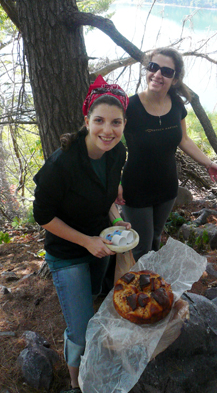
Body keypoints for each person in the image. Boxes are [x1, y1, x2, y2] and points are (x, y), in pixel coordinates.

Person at [33, 75, 130, 393]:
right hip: (68, 251)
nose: (108, 130)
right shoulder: (62, 164)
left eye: (116, 122)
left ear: (124, 123)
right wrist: (87, 241)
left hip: (99, 243)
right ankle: (76, 383)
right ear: (86, 120)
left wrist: (116, 220)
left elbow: (107, 196)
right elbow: (42, 215)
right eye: (99, 120)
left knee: (88, 302)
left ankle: (88, 357)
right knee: (81, 327)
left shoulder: (117, 153)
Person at [117, 47, 217, 262]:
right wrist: (114, 180)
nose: (157, 75)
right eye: (153, 67)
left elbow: (183, 139)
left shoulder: (176, 104)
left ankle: (151, 288)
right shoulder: (129, 106)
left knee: (156, 238)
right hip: (135, 189)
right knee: (140, 246)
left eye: (166, 71)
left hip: (167, 187)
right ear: (147, 69)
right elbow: (108, 143)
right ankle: (132, 291)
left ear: (174, 79)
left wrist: (208, 163)